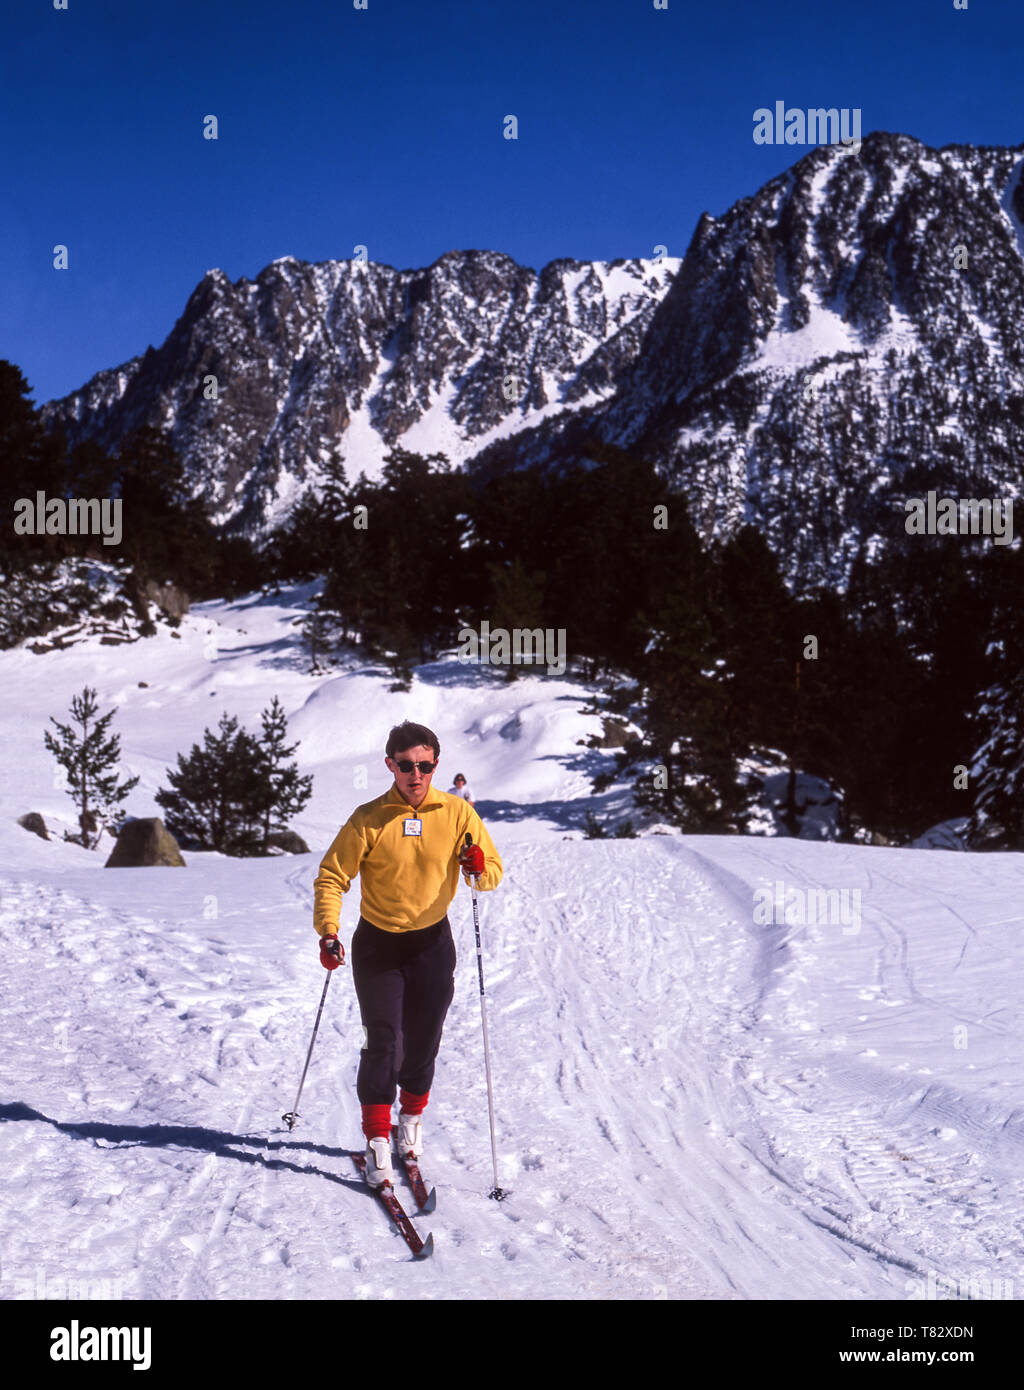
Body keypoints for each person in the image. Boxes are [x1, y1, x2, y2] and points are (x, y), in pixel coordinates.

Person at [313, 720, 503, 1188]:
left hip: (432, 945)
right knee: (381, 1040)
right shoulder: (368, 818)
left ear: (436, 765)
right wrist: (329, 931)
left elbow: (492, 874)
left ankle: (411, 1119)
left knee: (423, 1038)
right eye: (405, 766)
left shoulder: (457, 814)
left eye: (424, 765)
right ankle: (377, 1137)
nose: (415, 774)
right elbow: (332, 877)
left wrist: (478, 866)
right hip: (378, 945)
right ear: (390, 766)